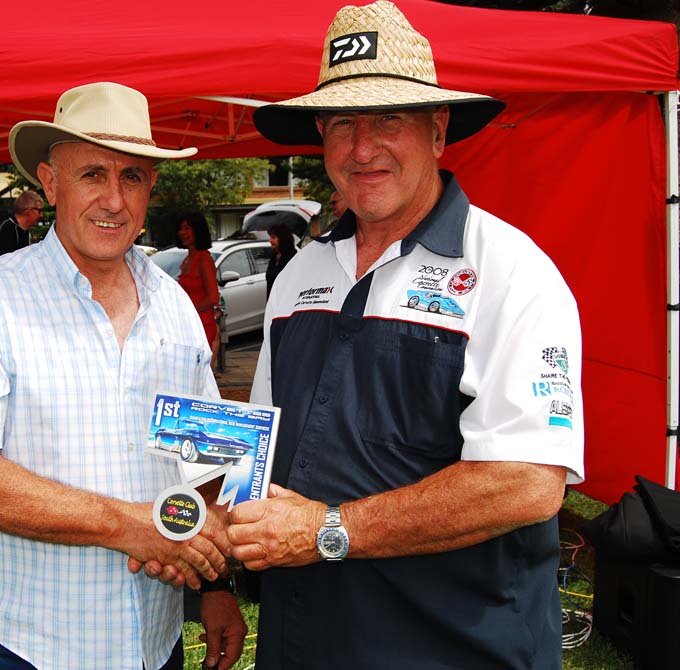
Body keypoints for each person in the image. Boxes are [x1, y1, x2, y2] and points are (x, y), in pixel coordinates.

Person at [226, 3, 585, 669]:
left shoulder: (510, 271)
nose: (363, 148)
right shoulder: (299, 275)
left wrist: (328, 530)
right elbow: (261, 450)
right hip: (302, 641)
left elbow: (527, 482)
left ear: (438, 130)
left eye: (389, 118)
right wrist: (220, 545)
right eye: (342, 123)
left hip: (455, 649)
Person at [0, 82, 246, 670]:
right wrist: (125, 525)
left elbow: (211, 460)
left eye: (131, 177)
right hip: (32, 649)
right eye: (93, 174)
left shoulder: (173, 303)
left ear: (150, 188)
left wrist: (216, 585)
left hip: (156, 640)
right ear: (50, 182)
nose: (113, 200)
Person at [175, 211, 220, 362]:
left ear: (198, 230)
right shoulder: (188, 258)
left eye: (187, 228)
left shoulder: (204, 259)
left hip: (201, 327)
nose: (182, 232)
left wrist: (187, 312)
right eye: (181, 228)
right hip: (188, 327)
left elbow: (213, 297)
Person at [0, 189, 45, 258]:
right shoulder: (8, 228)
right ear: (29, 211)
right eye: (39, 211)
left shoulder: (25, 230)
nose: (41, 215)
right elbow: (5, 260)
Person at [264, 222, 296, 297]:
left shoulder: (292, 258)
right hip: (272, 299)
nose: (270, 240)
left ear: (283, 239)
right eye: (270, 237)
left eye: (273, 238)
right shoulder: (274, 258)